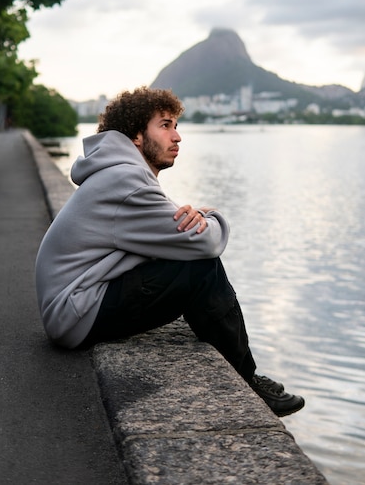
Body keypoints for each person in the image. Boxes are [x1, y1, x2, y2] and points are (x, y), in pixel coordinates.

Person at [35, 86, 305, 417]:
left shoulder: (118, 173)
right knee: (201, 268)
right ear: (135, 135)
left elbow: (174, 234)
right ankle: (247, 380)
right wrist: (211, 216)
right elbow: (203, 242)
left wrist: (195, 225)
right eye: (165, 125)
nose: (177, 137)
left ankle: (245, 372)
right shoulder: (127, 181)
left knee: (186, 260)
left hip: (74, 306)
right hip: (74, 315)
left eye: (176, 125)